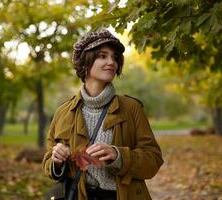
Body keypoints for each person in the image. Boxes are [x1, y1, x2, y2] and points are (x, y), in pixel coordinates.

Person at [42, 29, 164, 200]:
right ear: (85, 62)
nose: (111, 62)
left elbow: (153, 160)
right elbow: (49, 161)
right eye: (102, 56)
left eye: (114, 57)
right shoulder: (63, 111)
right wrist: (56, 161)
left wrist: (119, 156)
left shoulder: (131, 108)